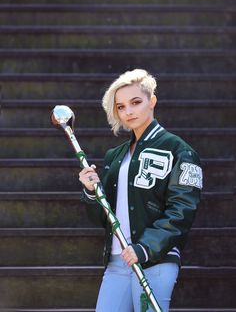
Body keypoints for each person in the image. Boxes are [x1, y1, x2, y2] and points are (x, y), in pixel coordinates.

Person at [79, 69, 203, 312]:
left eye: (136, 102)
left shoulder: (180, 150)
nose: (129, 112)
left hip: (155, 259)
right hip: (117, 260)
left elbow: (183, 209)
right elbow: (103, 218)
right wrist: (92, 192)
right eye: (121, 106)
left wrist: (146, 247)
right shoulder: (114, 156)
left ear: (152, 101)